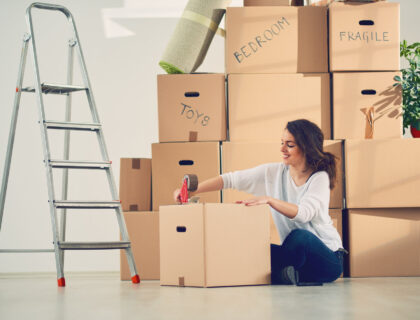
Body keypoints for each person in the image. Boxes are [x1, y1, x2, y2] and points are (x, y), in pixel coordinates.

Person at [173, 119, 345, 285]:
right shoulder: (273, 172)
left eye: (290, 145)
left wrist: (269, 200)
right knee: (250, 248)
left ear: (307, 148)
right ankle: (288, 275)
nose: (282, 149)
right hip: (295, 258)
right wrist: (190, 191)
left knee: (300, 237)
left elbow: (304, 213)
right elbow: (231, 179)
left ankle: (282, 274)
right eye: (282, 142)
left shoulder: (319, 178)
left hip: (328, 260)